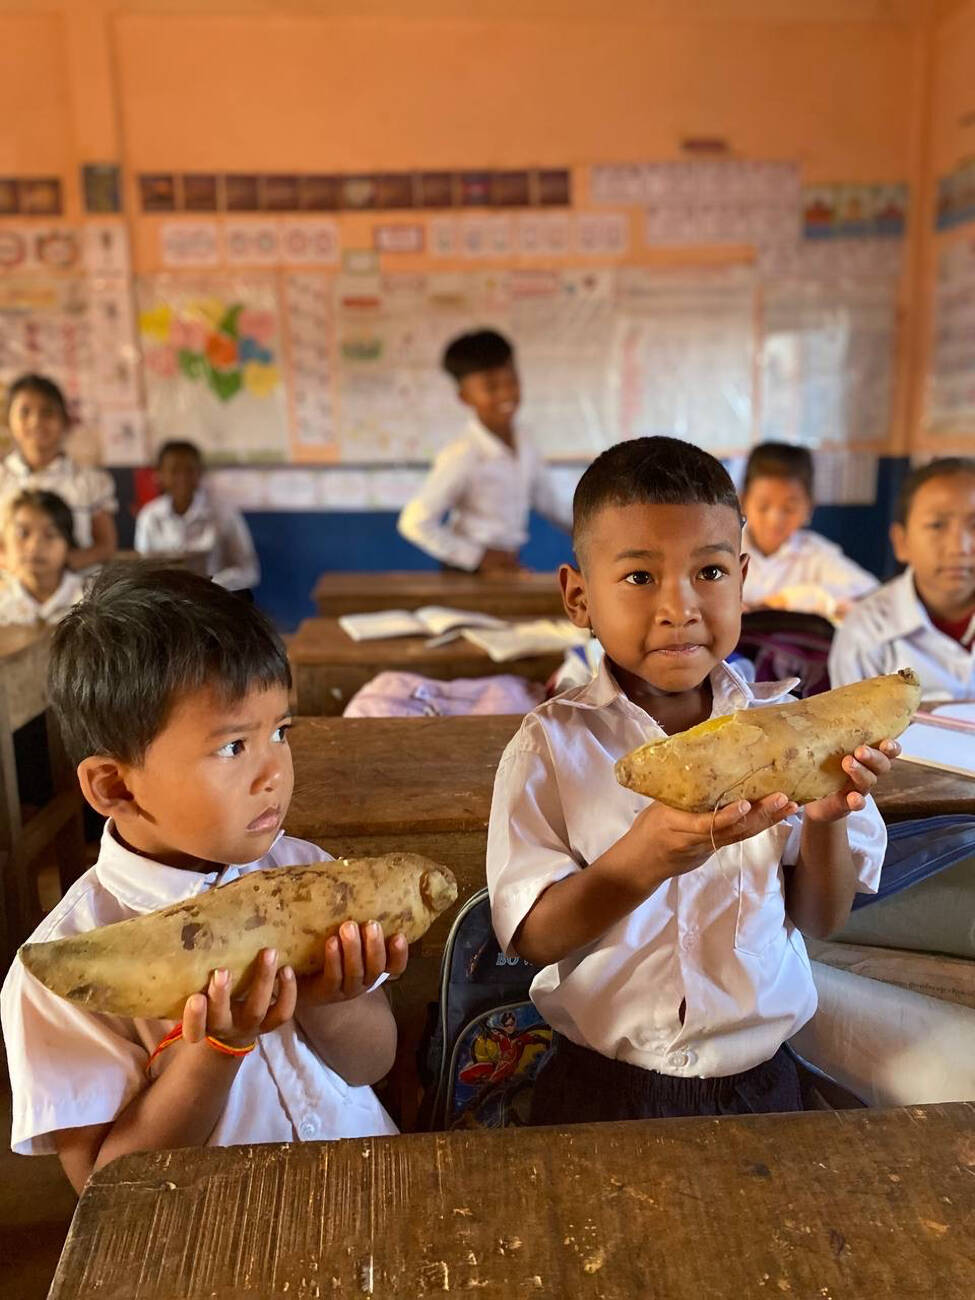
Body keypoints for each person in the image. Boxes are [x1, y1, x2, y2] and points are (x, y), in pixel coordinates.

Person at [487, 436, 897, 1126]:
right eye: (639, 577)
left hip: (761, 1083)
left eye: (709, 572)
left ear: (742, 579)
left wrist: (828, 819)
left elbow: (821, 921)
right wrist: (643, 857)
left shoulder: (790, 731)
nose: (679, 606)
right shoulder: (552, 747)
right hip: (600, 1086)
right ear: (578, 597)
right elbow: (533, 938)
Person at [1, 566, 407, 1193]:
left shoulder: (310, 874)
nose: (274, 772)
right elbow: (107, 1187)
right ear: (114, 786)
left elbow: (373, 1064)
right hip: (220, 1234)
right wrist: (216, 1048)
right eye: (232, 747)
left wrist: (333, 1001)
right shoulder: (64, 968)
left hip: (368, 1185)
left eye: (280, 732)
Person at [397, 329, 570, 572]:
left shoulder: (525, 441)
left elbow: (549, 502)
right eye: (491, 387)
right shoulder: (464, 453)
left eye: (512, 381)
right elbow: (413, 522)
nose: (506, 393)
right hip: (468, 572)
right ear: (464, 397)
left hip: (508, 564)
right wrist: (477, 557)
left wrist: (592, 530)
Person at [829, 457, 975, 699]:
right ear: (901, 541)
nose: (959, 547)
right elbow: (850, 720)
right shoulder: (866, 630)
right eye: (937, 525)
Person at [741, 442, 876, 622]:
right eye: (763, 507)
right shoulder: (726, 548)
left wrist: (798, 598)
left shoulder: (816, 553)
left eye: (789, 508)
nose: (774, 520)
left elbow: (871, 591)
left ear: (809, 508)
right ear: (743, 502)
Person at [0, 374, 117, 570]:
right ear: (8, 421)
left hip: (78, 585)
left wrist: (60, 566)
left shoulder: (91, 481)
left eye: (47, 412)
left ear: (64, 421)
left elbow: (106, 546)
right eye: (24, 412)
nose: (36, 421)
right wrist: (23, 567)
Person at [134, 440, 260, 594]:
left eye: (189, 470)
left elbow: (249, 571)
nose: (182, 477)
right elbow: (143, 569)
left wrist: (211, 584)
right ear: (160, 474)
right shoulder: (150, 516)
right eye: (174, 470)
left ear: (200, 472)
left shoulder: (224, 513)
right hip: (166, 600)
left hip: (216, 598)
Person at [0, 489, 83, 625]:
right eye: (23, 533)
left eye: (50, 534)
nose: (34, 546)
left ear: (68, 545)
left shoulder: (88, 600)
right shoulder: (2, 601)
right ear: (3, 545)